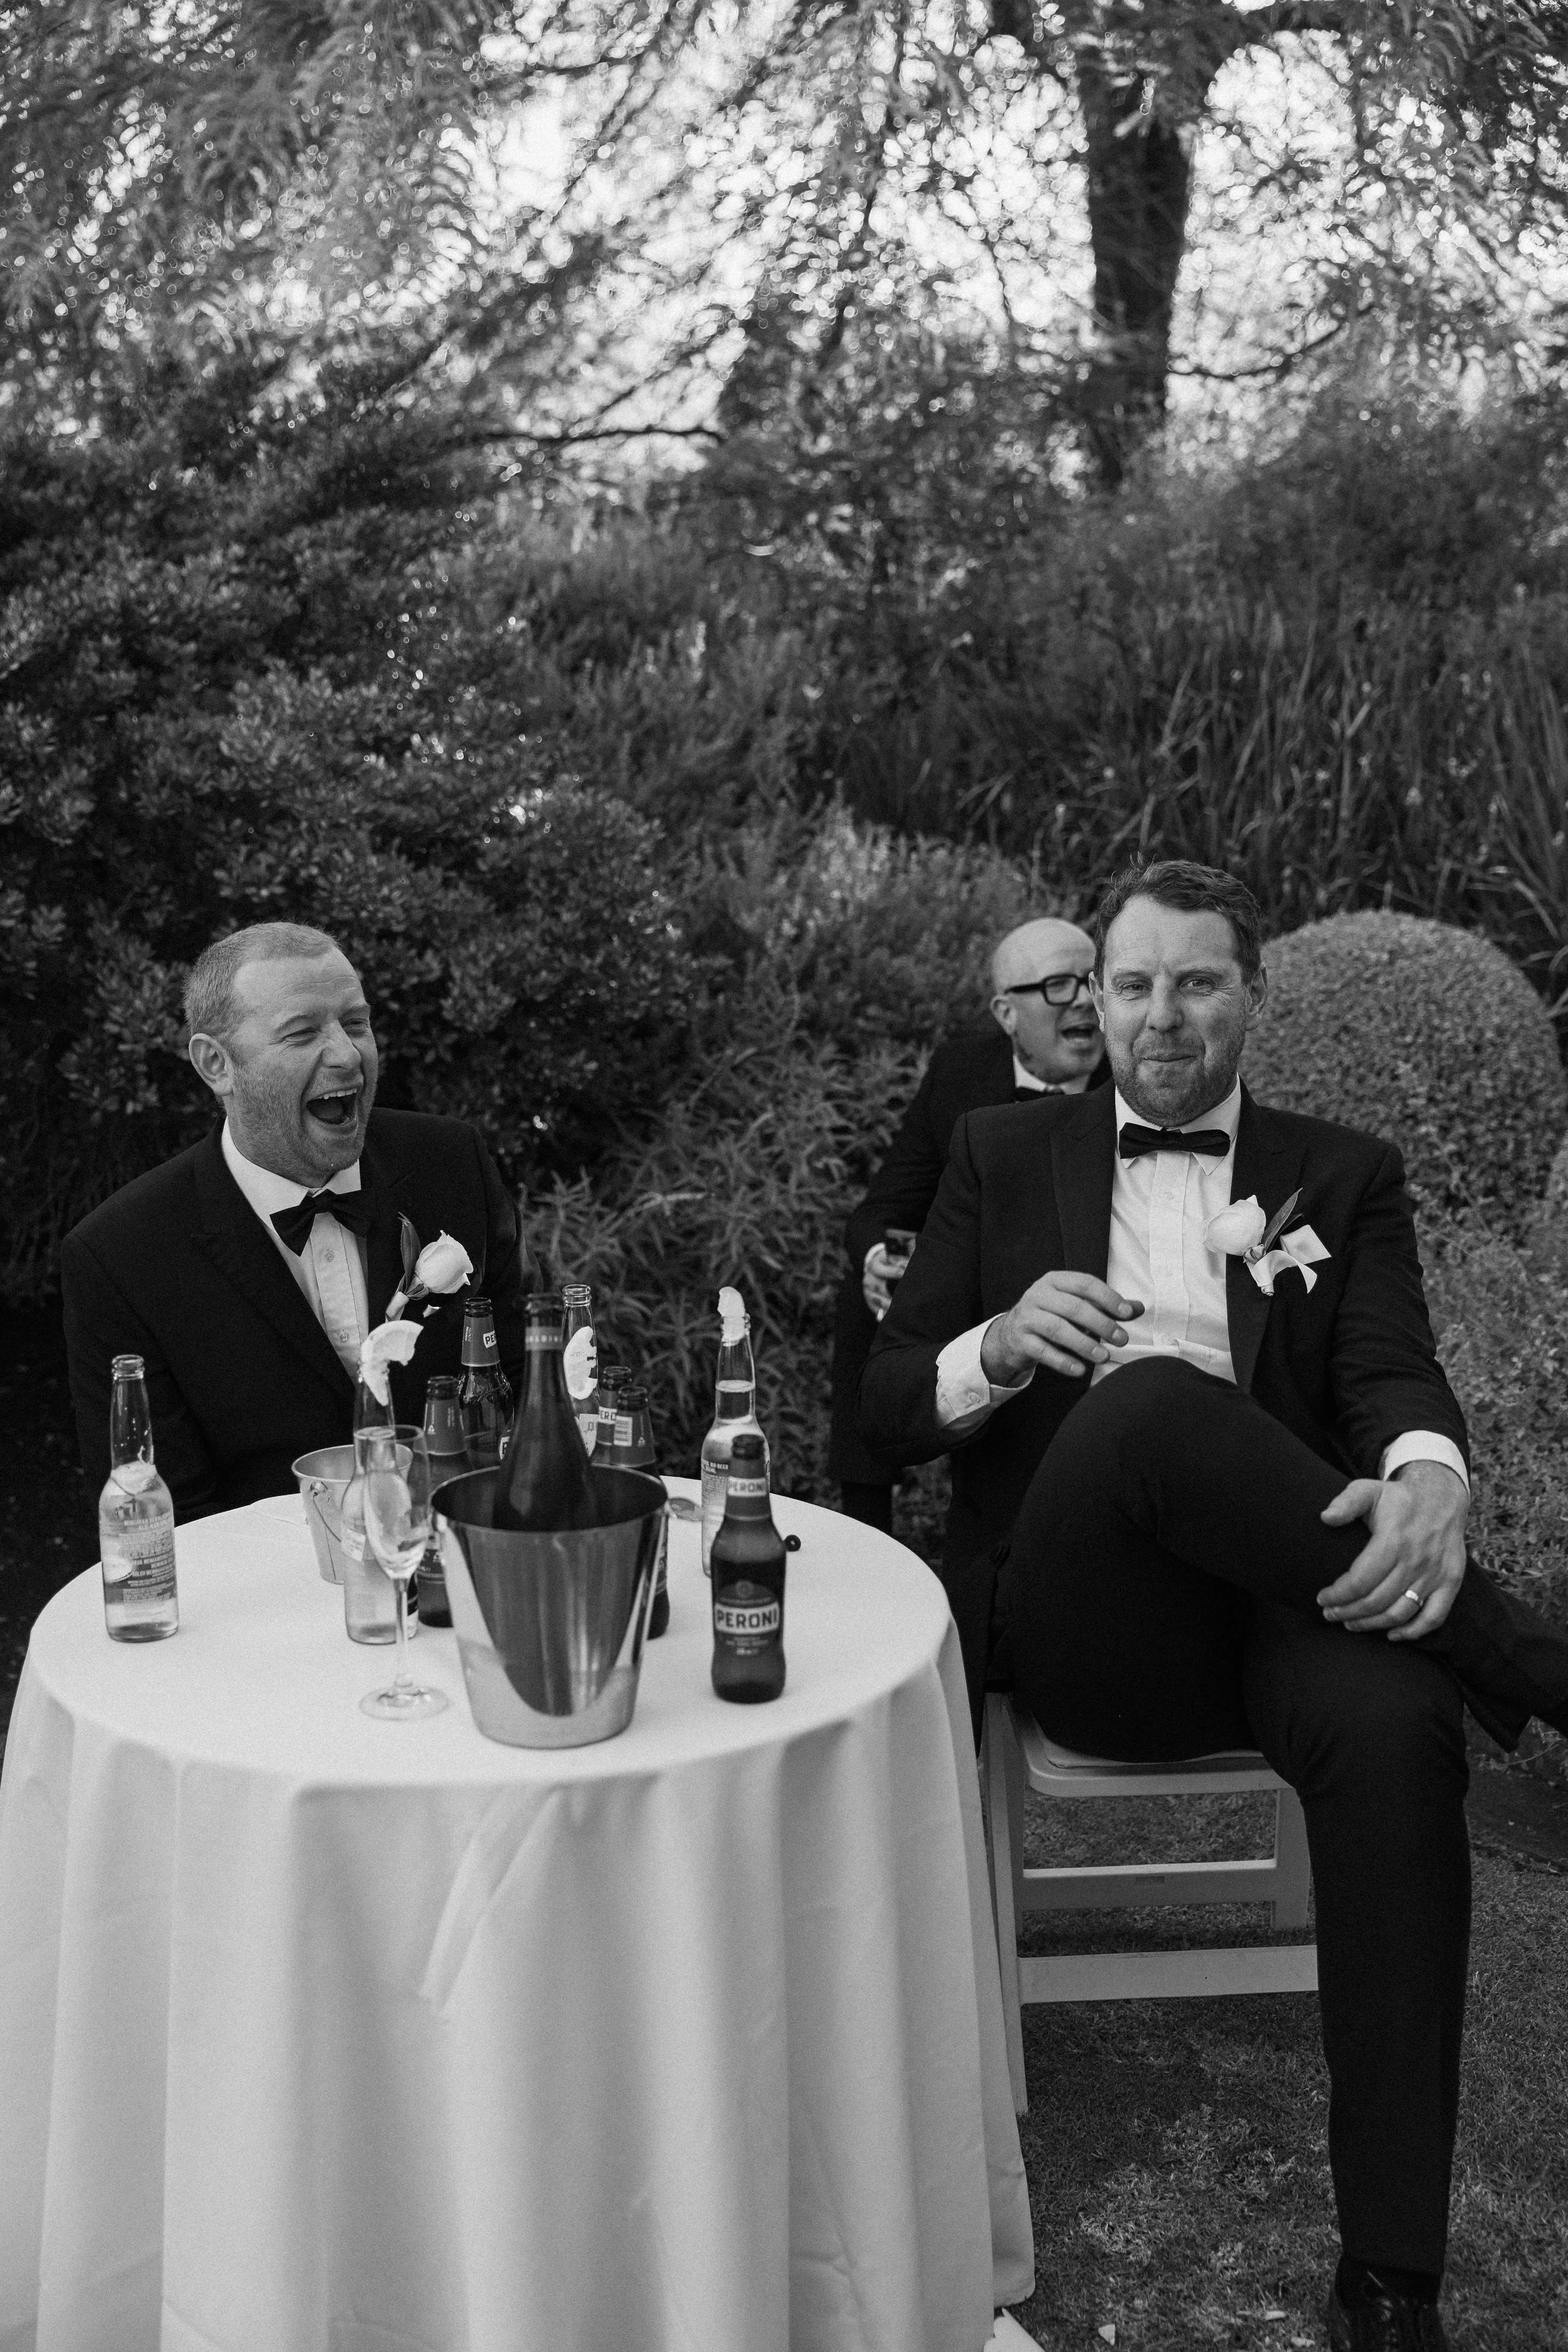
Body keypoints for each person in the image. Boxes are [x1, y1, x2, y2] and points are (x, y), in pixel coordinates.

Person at [861, 859, 1568, 2352]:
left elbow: (1388, 1372)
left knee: (1396, 1728)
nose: (1159, 1015)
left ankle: (1390, 2282)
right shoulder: (997, 1150)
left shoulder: (1342, 1171)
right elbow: (887, 1402)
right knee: (1150, 1399)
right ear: (1093, 998)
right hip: (1091, 1623)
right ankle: (1525, 1657)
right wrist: (997, 1344)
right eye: (1129, 984)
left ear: (1251, 992)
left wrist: (1425, 1476)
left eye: (1195, 983)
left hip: (1293, 1602)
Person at [61, 923, 528, 1518]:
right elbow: (161, 1509)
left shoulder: (452, 1164)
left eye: (355, 1024)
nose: (347, 1055)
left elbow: (524, 1385)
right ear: (217, 1064)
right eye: (302, 1033)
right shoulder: (121, 1255)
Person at [830, 917, 1109, 1534]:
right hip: (974, 1275)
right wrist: (879, 1259)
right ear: (1006, 1013)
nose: (1084, 1002)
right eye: (1058, 986)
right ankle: (867, 1525)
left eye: (1092, 980)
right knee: (863, 1295)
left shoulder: (1132, 1074)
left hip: (1079, 1277)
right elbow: (884, 1207)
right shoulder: (961, 1070)